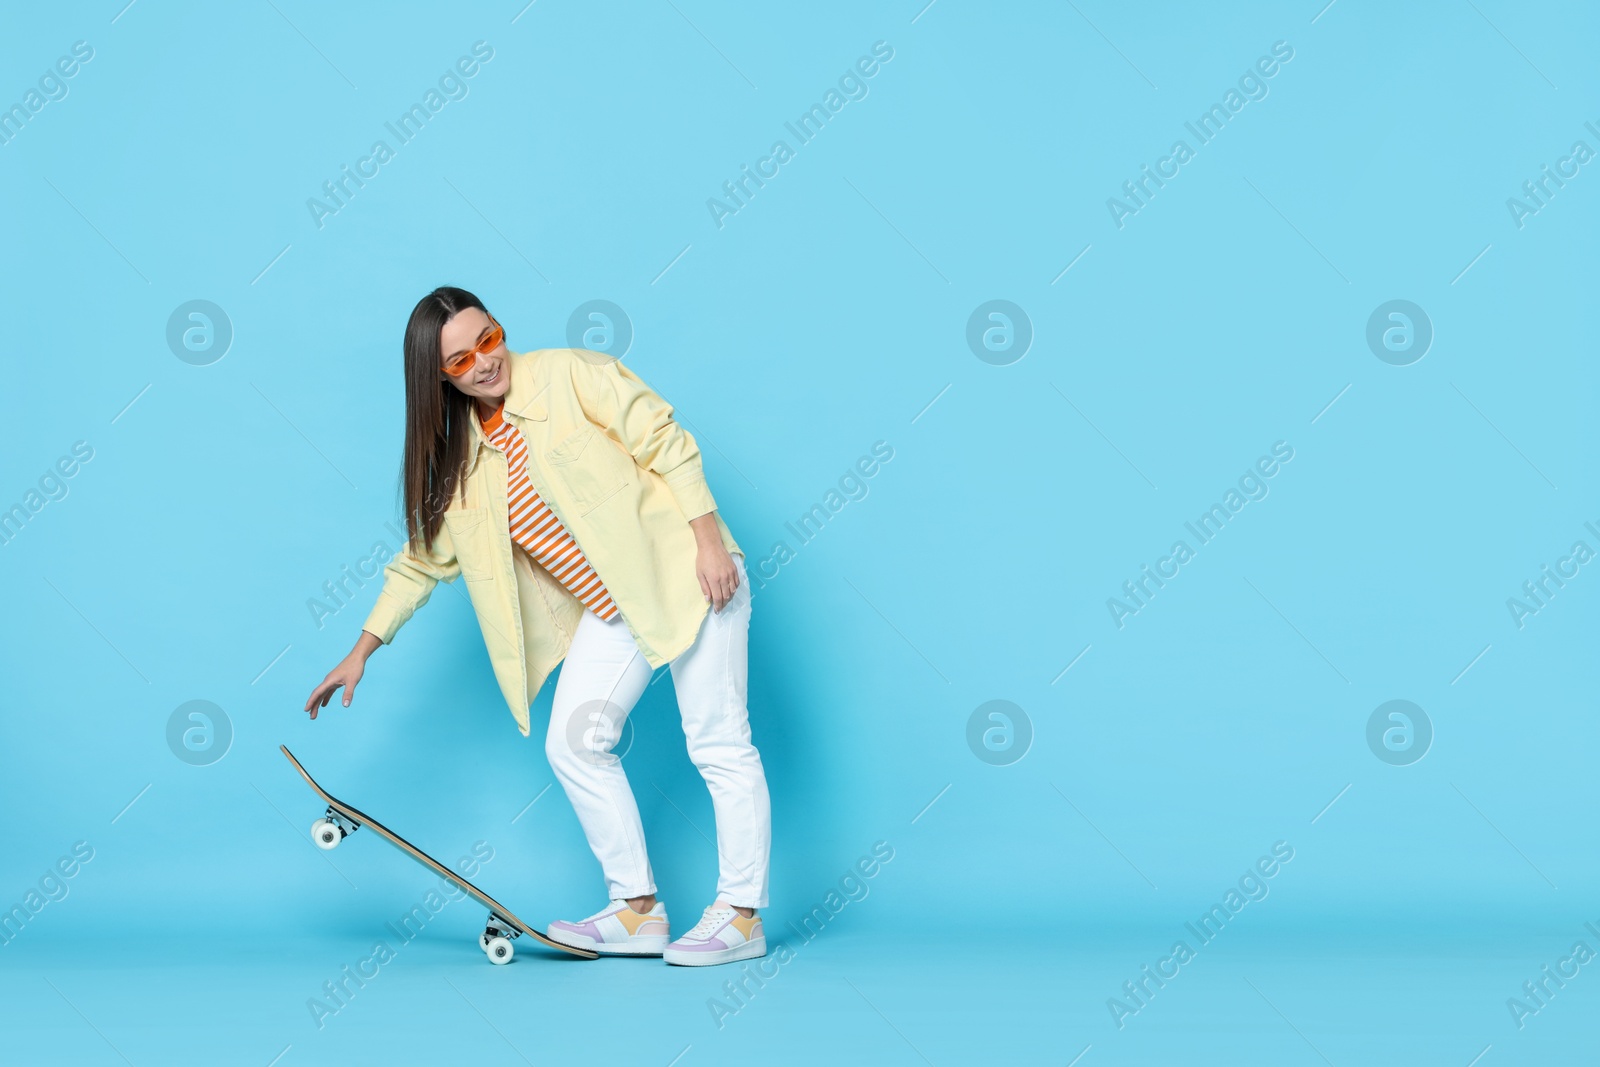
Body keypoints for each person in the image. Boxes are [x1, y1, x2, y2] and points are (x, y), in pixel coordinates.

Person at [304, 286, 771, 967]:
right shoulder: (462, 459)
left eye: (488, 339)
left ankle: (741, 913)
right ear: (439, 378)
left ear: (500, 329)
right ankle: (638, 909)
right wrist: (361, 651)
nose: (485, 363)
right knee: (574, 744)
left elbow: (663, 438)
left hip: (688, 574)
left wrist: (708, 541)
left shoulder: (569, 374)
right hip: (615, 610)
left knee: (718, 740)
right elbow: (421, 563)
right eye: (461, 360)